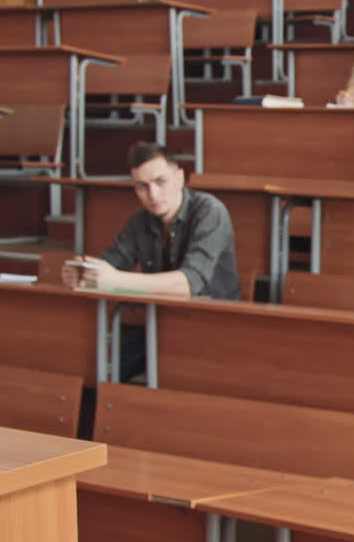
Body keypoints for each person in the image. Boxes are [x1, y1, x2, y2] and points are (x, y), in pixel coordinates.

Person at [62, 142, 240, 381]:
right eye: (142, 186)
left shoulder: (210, 211)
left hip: (214, 329)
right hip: (162, 327)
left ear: (179, 178)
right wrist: (82, 271)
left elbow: (188, 284)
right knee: (98, 373)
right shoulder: (140, 220)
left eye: (160, 182)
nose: (153, 195)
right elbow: (112, 263)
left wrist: (114, 280)